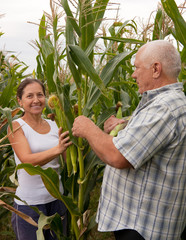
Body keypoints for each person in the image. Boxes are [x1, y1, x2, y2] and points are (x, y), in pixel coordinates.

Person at [72, 40, 186, 240]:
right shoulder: (169, 103)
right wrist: (126, 123)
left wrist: (88, 129)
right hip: (144, 221)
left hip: (142, 227)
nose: (133, 74)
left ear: (156, 69)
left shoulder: (164, 108)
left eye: (136, 68)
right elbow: (153, 131)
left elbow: (118, 156)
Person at [8, 78, 72, 240]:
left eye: (40, 95)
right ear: (20, 101)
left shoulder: (55, 124)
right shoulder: (16, 126)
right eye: (29, 96)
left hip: (58, 200)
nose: (36, 100)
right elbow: (27, 162)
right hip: (30, 205)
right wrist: (57, 149)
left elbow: (69, 160)